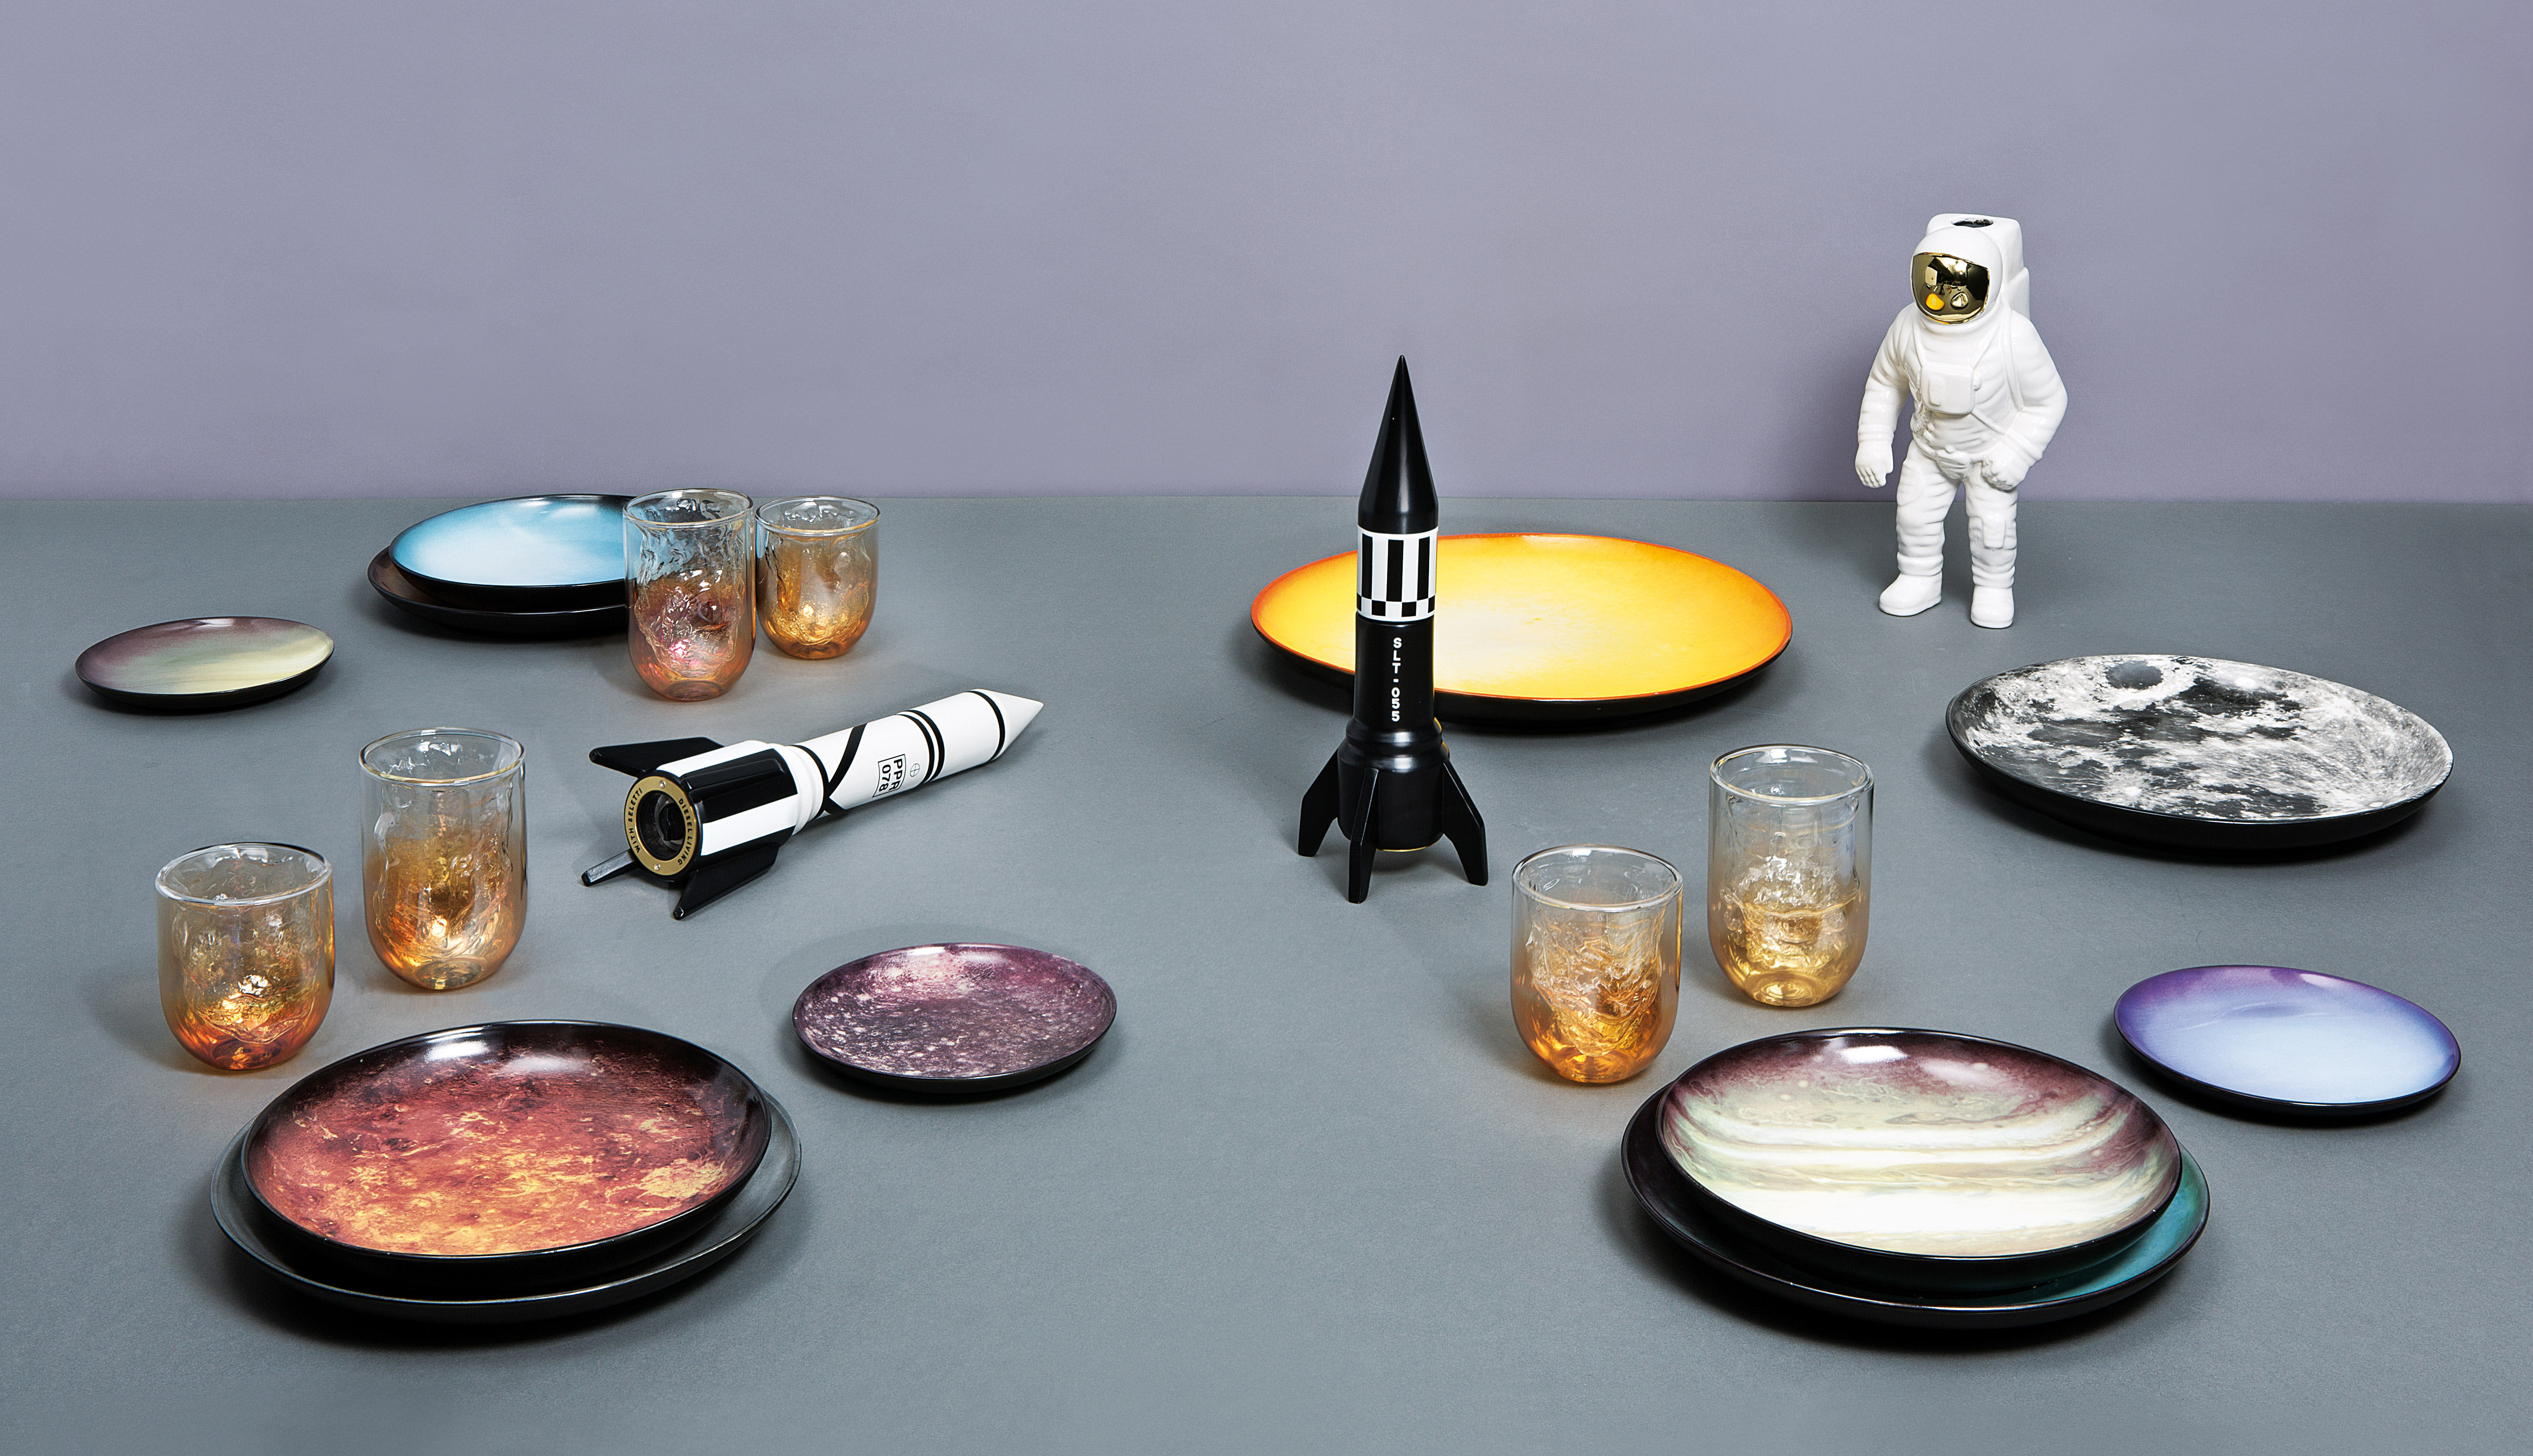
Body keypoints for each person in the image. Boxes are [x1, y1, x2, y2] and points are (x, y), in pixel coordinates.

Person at [1855, 214, 2067, 629]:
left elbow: (2048, 401)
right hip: (1930, 449)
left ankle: (1993, 587)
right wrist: (1874, 441)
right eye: (1934, 281)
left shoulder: (2013, 336)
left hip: (1989, 456)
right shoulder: (1908, 326)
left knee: (1993, 529)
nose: (1943, 295)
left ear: (1989, 283)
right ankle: (1919, 577)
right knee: (1914, 516)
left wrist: (2017, 454)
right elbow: (1885, 384)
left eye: (1960, 285)